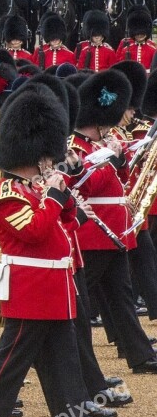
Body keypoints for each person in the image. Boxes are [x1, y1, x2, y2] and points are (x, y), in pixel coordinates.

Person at [0, 74, 121, 417]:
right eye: (46, 158)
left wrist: (66, 202)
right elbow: (33, 231)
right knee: (9, 364)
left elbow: (62, 230)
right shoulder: (8, 194)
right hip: (30, 290)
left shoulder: (34, 190)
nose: (50, 162)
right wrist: (53, 196)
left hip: (55, 291)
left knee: (64, 368)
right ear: (31, 155)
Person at [68, 69, 157, 375]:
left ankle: (140, 354)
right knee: (77, 301)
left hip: (112, 231)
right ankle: (74, 360)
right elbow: (83, 186)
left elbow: (118, 182)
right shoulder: (76, 148)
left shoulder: (101, 144)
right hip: (94, 233)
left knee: (121, 295)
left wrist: (123, 159)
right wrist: (111, 162)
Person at [117, 6, 155, 71]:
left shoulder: (152, 49)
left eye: (142, 34)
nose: (139, 35)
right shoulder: (126, 49)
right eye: (137, 34)